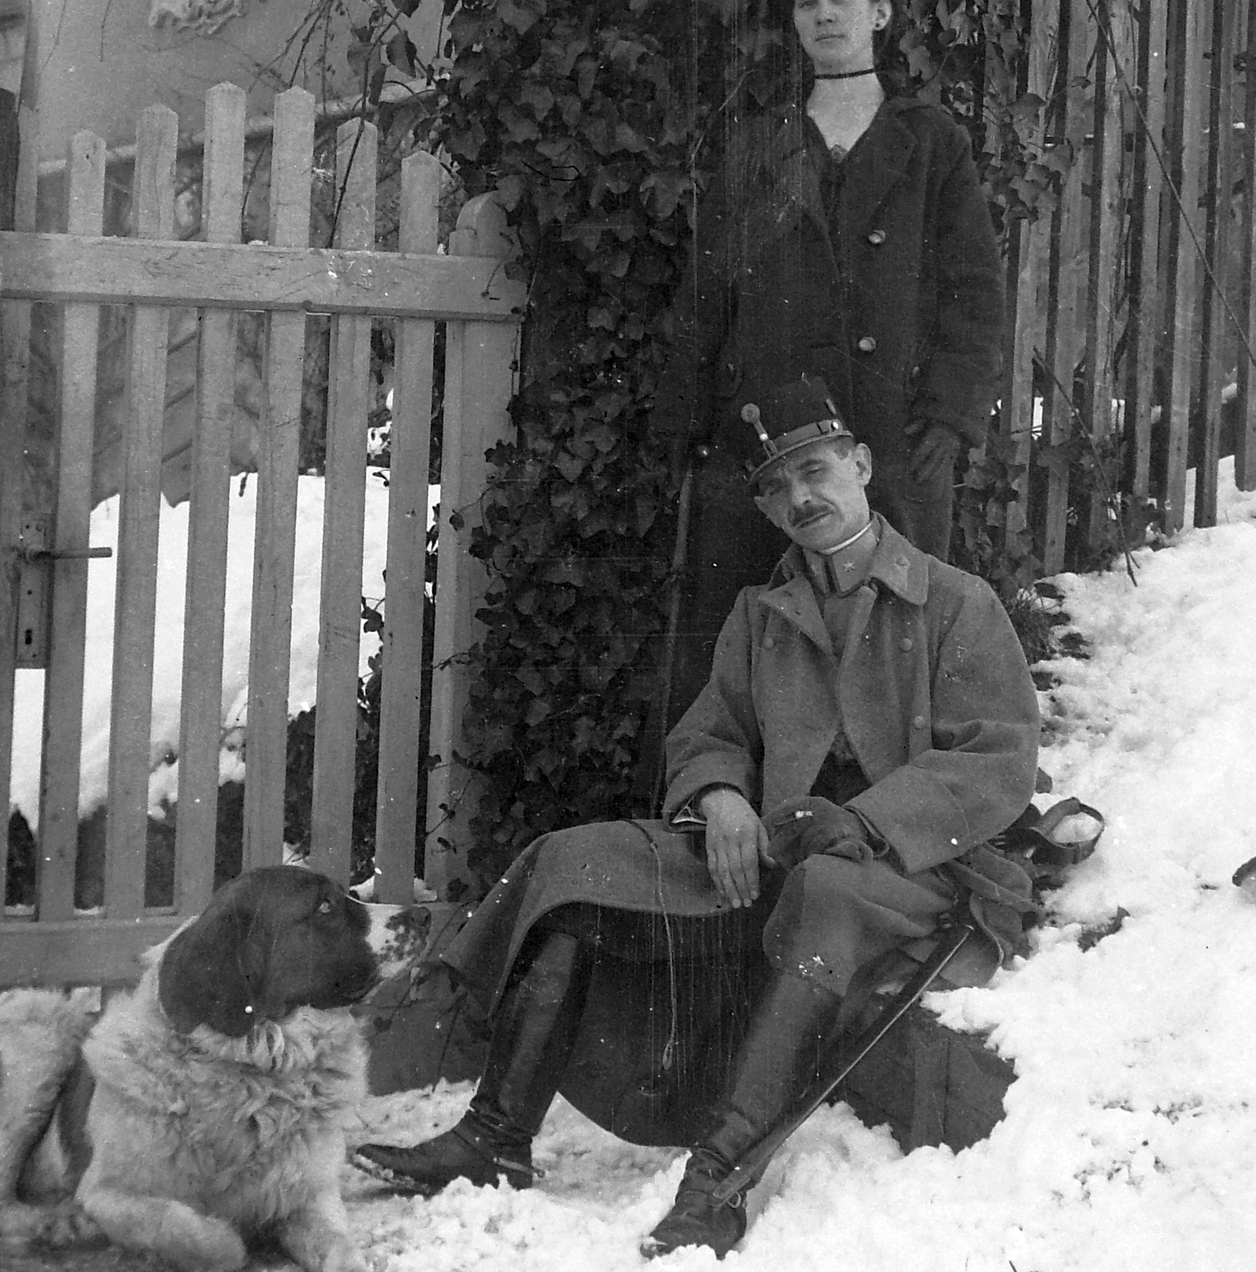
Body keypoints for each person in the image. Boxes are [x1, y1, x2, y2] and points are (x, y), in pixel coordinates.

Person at [357, 376, 1040, 1260]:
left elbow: (997, 759)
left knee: (829, 889)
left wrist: (868, 820)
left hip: (907, 869)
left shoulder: (956, 603)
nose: (803, 498)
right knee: (574, 862)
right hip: (776, 847)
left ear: (862, 467)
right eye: (779, 486)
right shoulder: (763, 616)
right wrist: (718, 796)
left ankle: (715, 1184)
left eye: (818, 470)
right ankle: (494, 1136)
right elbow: (710, 731)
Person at [651, 0, 1005, 728]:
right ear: (795, 26)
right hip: (765, 433)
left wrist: (950, 414)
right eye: (808, 2)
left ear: (880, 12)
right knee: (746, 622)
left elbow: (974, 292)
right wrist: (683, 419)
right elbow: (705, 297)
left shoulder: (930, 143)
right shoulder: (758, 145)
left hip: (894, 430)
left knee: (905, 628)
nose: (825, 14)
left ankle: (892, 813)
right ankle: (727, 804)